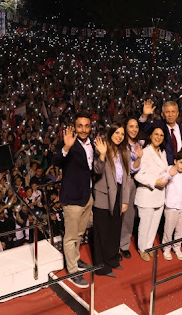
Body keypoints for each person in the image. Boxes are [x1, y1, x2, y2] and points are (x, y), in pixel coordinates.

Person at [51, 112, 95, 288]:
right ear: (75, 127)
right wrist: (66, 148)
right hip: (72, 199)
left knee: (79, 234)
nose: (83, 130)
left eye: (86, 126)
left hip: (87, 196)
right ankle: (72, 271)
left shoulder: (92, 145)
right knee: (70, 237)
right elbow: (55, 161)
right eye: (80, 126)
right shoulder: (69, 143)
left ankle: (75, 260)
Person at [91, 122, 132, 278]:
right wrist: (102, 154)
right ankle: (101, 267)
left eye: (122, 134)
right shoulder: (102, 148)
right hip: (103, 195)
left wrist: (125, 200)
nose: (119, 136)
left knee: (115, 228)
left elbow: (127, 178)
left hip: (119, 194)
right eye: (117, 133)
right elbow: (97, 170)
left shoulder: (125, 152)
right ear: (110, 133)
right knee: (102, 231)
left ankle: (112, 260)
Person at [134, 126, 175, 261]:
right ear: (150, 136)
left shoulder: (162, 152)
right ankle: (142, 248)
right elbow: (138, 175)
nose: (158, 137)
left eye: (161, 135)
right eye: (156, 134)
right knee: (145, 223)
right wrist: (154, 182)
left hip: (159, 195)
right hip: (147, 194)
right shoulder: (145, 152)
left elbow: (164, 169)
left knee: (155, 223)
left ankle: (149, 246)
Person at [140, 99, 182, 166]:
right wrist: (145, 116)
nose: (170, 115)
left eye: (173, 111)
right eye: (167, 112)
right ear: (162, 114)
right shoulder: (158, 127)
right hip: (163, 171)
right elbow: (143, 129)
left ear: (177, 113)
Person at [119, 117, 144, 260]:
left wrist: (139, 158)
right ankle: (114, 246)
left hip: (133, 184)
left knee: (128, 217)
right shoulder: (120, 143)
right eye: (131, 126)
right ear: (125, 128)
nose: (134, 129)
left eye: (136, 127)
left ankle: (124, 245)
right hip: (121, 183)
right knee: (117, 216)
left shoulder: (139, 144)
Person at [162, 151, 182, 260]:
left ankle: (177, 247)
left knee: (181, 230)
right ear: (175, 161)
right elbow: (163, 181)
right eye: (181, 162)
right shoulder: (169, 170)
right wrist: (169, 174)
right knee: (169, 229)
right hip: (171, 206)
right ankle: (166, 248)